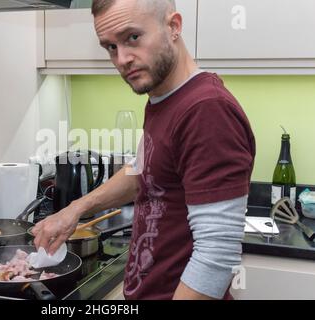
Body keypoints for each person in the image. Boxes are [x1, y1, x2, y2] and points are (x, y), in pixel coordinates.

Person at [32, 0, 256, 300]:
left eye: (132, 38)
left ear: (173, 26)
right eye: (110, 47)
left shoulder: (206, 109)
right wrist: (74, 210)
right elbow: (141, 171)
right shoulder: (164, 98)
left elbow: (217, 257)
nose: (122, 59)